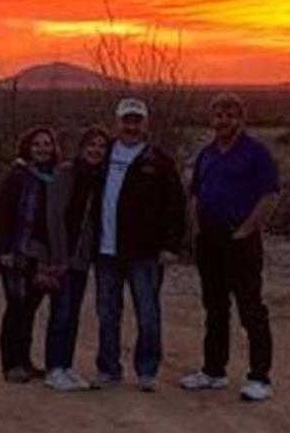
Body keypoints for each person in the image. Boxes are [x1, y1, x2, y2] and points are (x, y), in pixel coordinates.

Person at [178, 93, 281, 403]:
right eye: (219, 115)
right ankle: (213, 371)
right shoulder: (207, 154)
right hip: (209, 240)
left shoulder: (256, 153)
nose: (224, 120)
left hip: (240, 241)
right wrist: (195, 229)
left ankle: (259, 377)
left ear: (241, 119)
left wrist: (247, 229)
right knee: (215, 308)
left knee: (251, 310)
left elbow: (269, 196)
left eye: (231, 115)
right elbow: (195, 193)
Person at [92, 97, 187, 391]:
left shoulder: (158, 161)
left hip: (144, 253)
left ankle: (147, 370)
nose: (131, 126)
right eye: (126, 120)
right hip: (106, 251)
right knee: (107, 314)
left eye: (136, 120)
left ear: (145, 124)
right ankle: (108, 369)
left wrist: (171, 246)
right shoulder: (101, 157)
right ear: (117, 123)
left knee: (148, 314)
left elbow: (176, 206)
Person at [40, 126, 110, 391]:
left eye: (102, 147)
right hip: (63, 254)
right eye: (91, 145)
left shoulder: (98, 177)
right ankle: (53, 368)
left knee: (73, 312)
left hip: (82, 256)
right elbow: (53, 215)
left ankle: (66, 366)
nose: (96, 150)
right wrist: (57, 255)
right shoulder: (67, 173)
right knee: (61, 311)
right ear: (81, 148)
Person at [0, 126, 59, 383]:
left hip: (40, 253)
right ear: (27, 148)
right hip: (16, 251)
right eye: (37, 144)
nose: (42, 149)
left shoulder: (53, 177)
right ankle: (11, 364)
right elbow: (4, 215)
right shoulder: (16, 177)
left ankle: (24, 360)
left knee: (30, 307)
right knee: (16, 306)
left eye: (47, 144)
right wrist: (6, 250)